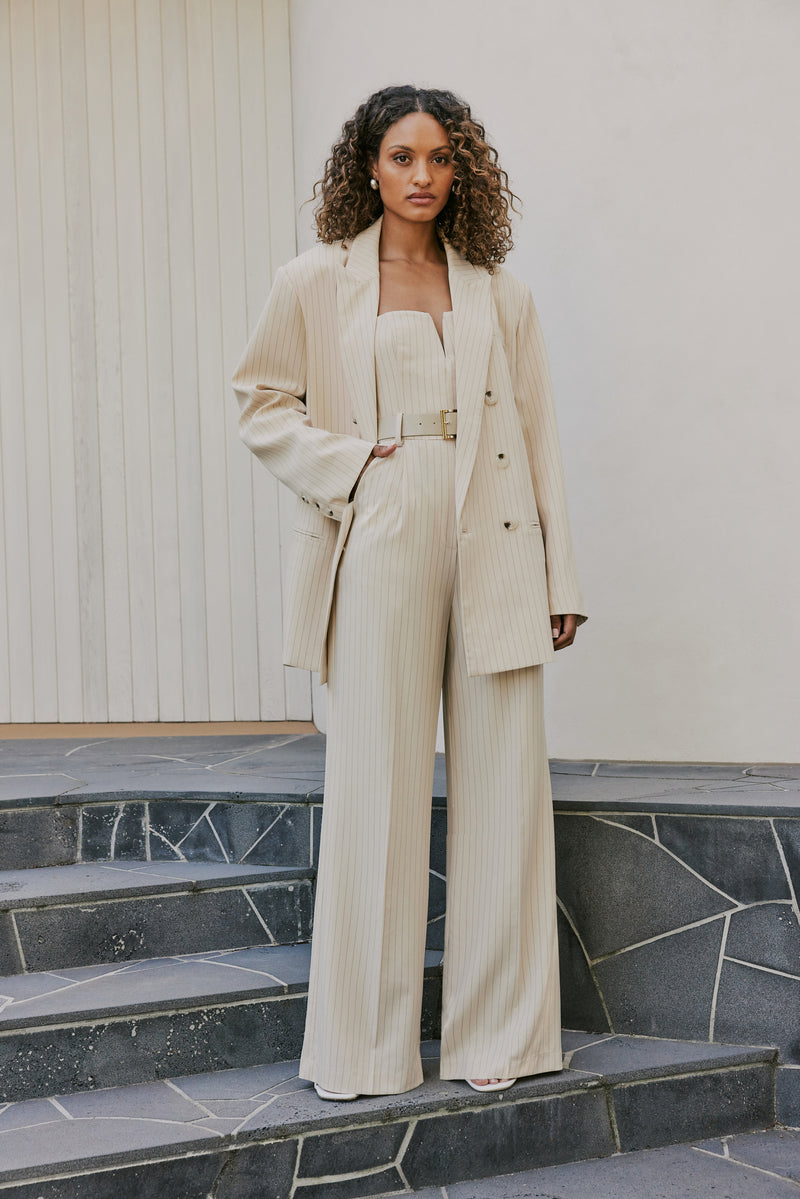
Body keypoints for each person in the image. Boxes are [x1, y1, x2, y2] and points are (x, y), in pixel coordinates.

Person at [231, 84, 586, 1101]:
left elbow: (540, 435)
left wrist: (561, 574)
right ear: (367, 166)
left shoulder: (498, 293)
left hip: (497, 535)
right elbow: (258, 399)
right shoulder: (313, 280)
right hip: (380, 524)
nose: (421, 176)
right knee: (375, 788)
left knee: (503, 791)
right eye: (400, 157)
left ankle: (500, 1041)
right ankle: (364, 1048)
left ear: (460, 167)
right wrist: (350, 464)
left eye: (438, 157)